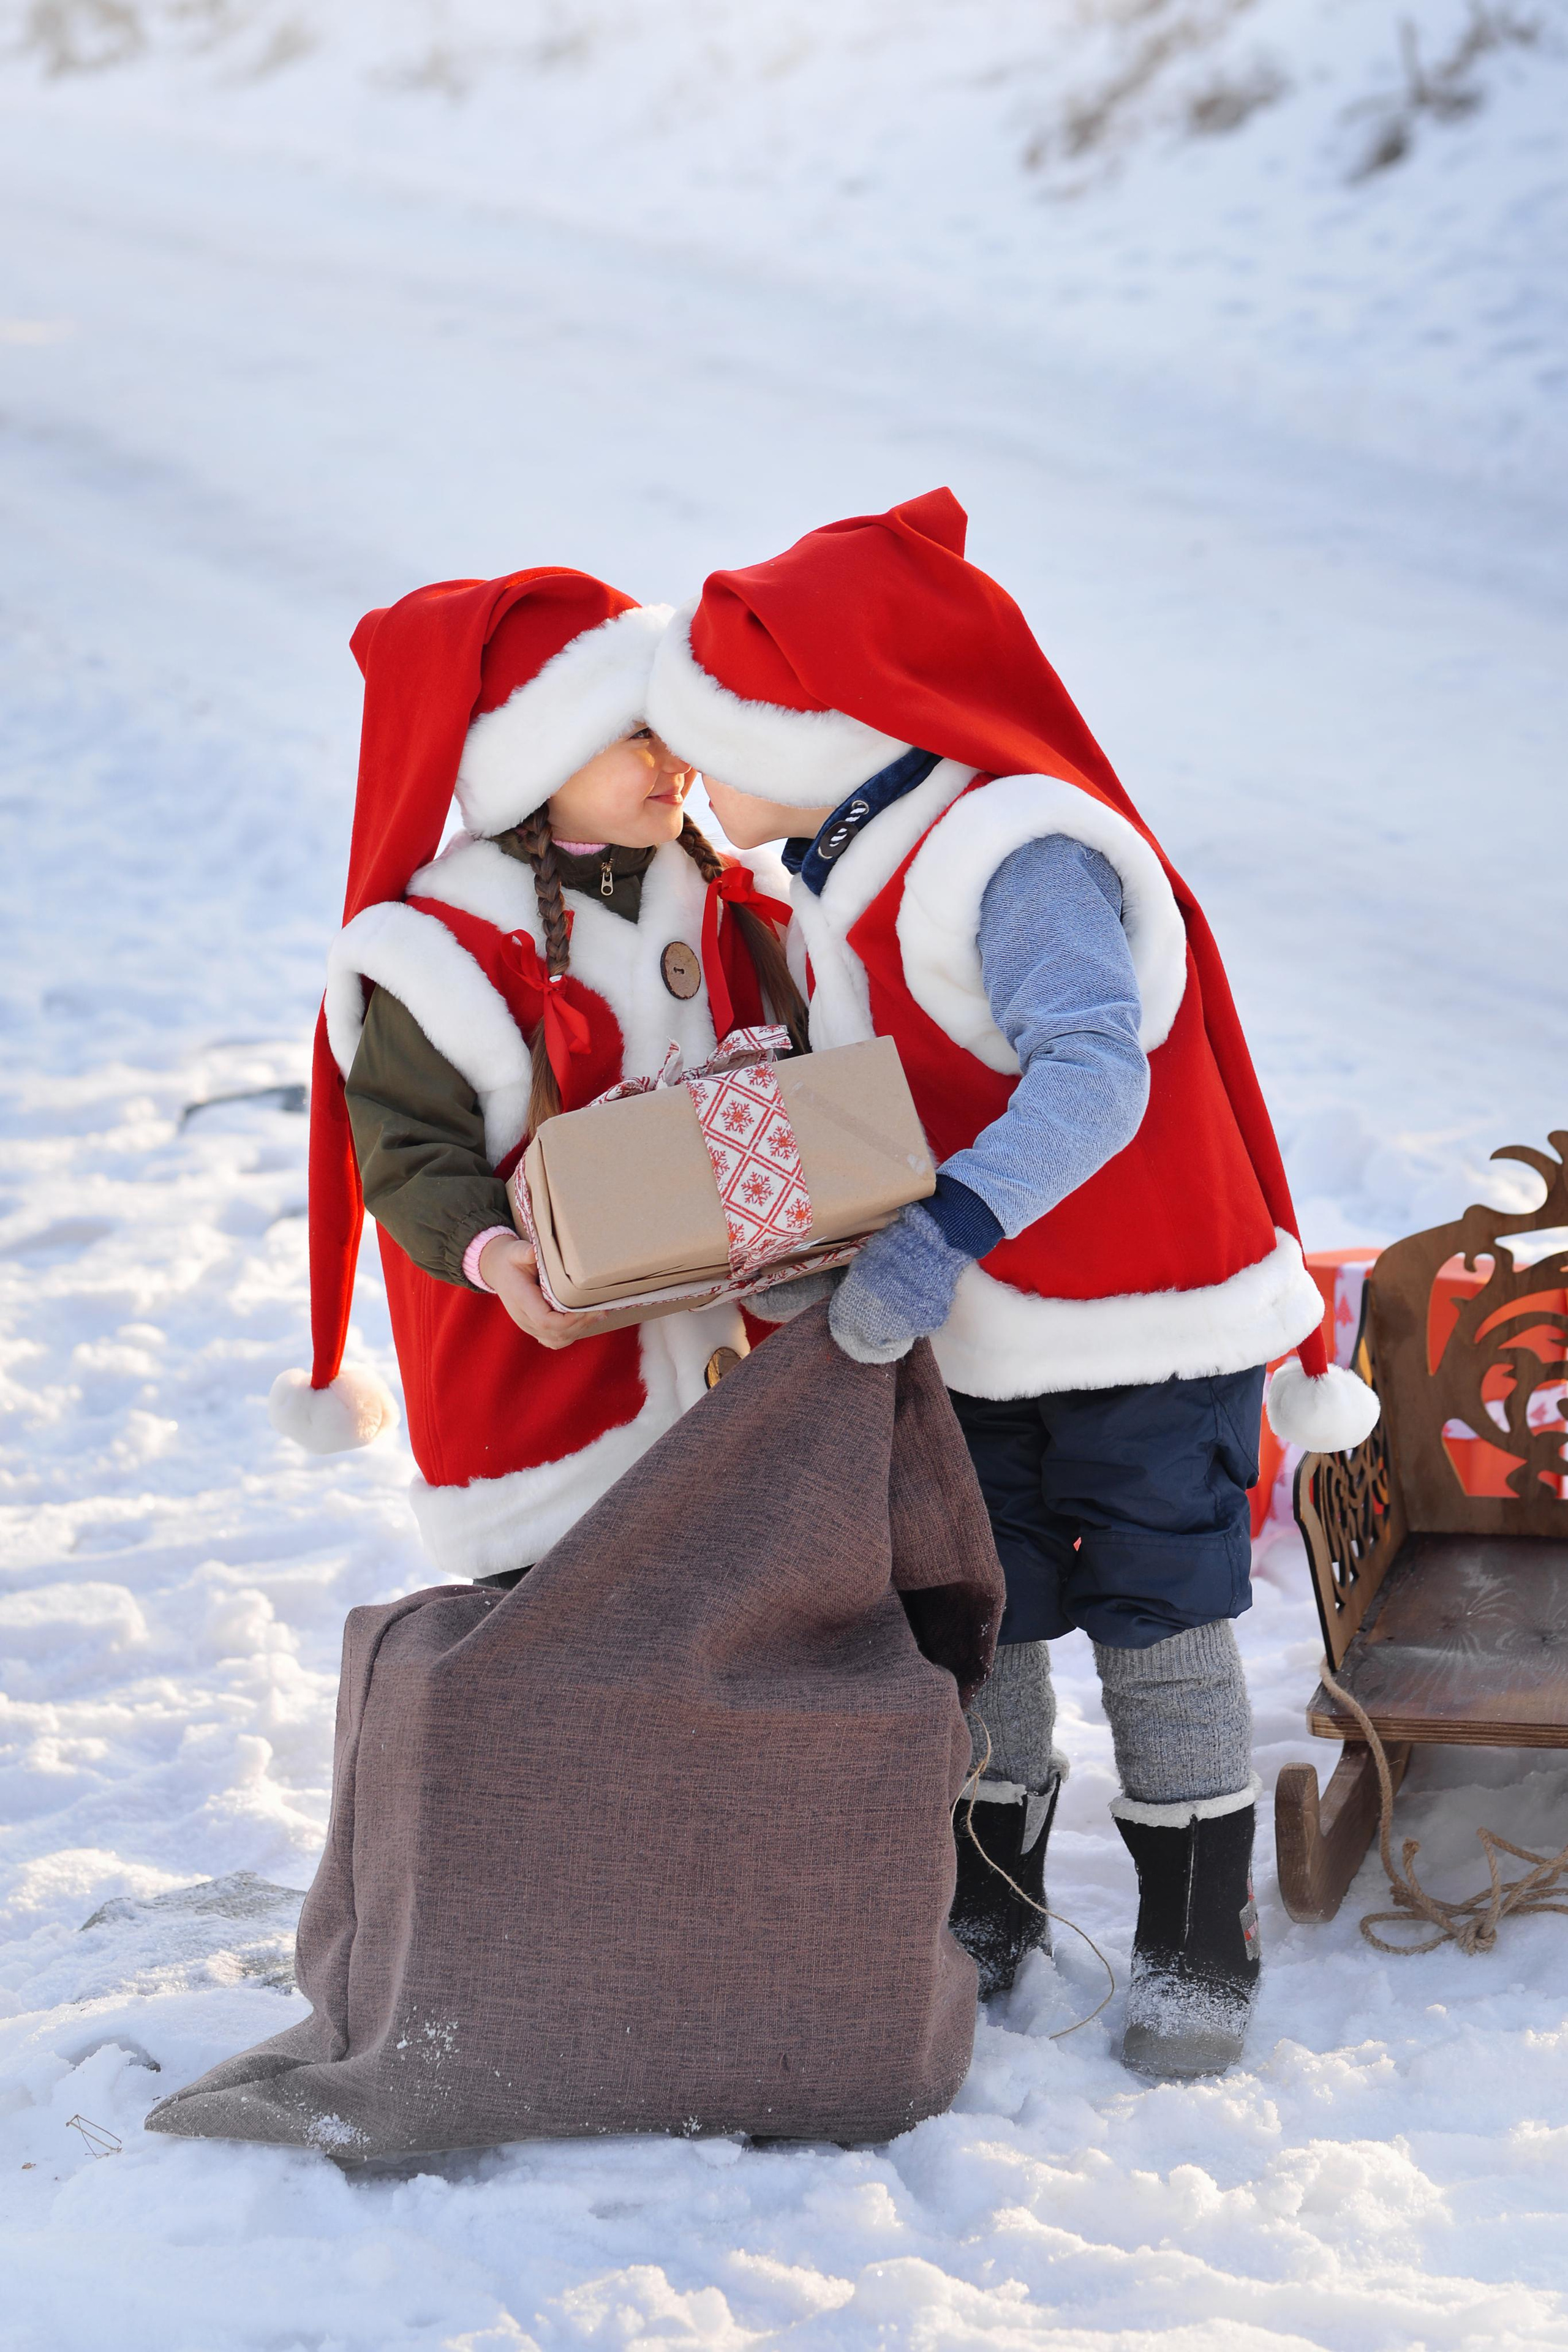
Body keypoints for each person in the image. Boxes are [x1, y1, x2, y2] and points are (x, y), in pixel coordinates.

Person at [647, 490, 1378, 2079]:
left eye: (716, 735)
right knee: (986, 1623)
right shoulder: (847, 869)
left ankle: (1198, 1948)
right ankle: (986, 1907)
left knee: (1158, 1622)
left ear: (823, 721)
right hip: (980, 1332)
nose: (698, 775)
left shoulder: (1015, 851)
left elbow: (1094, 1078)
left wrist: (933, 1236)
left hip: (1135, 1323)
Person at [271, 567, 804, 1585]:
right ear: (540, 755)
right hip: (557, 1394)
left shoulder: (732, 894)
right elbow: (402, 1139)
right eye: (635, 734)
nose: (675, 760)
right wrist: (491, 1253)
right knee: (574, 1671)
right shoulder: (453, 947)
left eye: (675, 726)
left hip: (749, 1368)